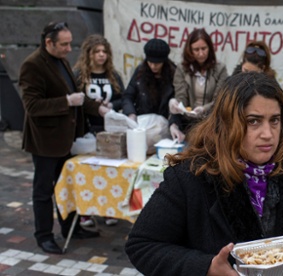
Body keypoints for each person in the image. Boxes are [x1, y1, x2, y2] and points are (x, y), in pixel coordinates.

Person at [125, 72, 283, 276]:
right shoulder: (191, 177)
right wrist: (205, 268)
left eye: (274, 120)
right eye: (253, 121)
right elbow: (142, 245)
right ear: (227, 124)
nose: (268, 134)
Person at [19, 21, 108, 254]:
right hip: (45, 141)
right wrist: (66, 103)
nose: (70, 48)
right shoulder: (32, 65)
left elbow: (76, 95)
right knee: (43, 191)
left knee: (68, 186)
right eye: (64, 44)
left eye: (70, 43)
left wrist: (100, 109)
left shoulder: (62, 61)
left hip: (66, 139)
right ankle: (44, 236)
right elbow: (32, 105)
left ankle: (72, 227)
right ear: (49, 42)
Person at [73, 34, 124, 227]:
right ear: (89, 54)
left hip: (109, 131)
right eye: (97, 52)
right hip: (86, 130)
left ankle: (109, 210)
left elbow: (122, 97)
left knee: (109, 173)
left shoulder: (113, 75)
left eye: (104, 51)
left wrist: (111, 104)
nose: (101, 55)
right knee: (87, 172)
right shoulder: (79, 75)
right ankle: (85, 211)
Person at [168, 28, 228, 142]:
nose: (201, 53)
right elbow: (181, 97)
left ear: (210, 48)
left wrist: (204, 109)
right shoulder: (182, 69)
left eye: (204, 48)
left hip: (212, 121)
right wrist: (176, 105)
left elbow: (220, 99)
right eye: (196, 49)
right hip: (188, 122)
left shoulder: (220, 69)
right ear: (189, 50)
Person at [122, 38, 176, 128]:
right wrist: (131, 113)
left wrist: (173, 123)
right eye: (150, 62)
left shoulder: (173, 75)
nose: (153, 66)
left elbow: (179, 101)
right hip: (143, 122)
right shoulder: (140, 72)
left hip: (166, 125)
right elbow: (128, 96)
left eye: (157, 63)